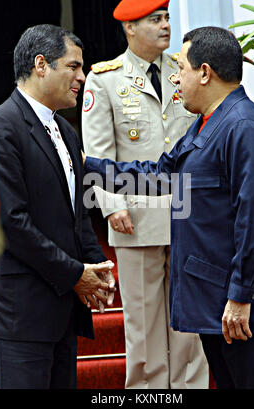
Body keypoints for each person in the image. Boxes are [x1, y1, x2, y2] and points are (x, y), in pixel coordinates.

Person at [83, 26, 254, 389]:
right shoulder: (205, 125)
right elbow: (158, 175)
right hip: (215, 308)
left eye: (181, 68)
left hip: (241, 312)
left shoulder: (244, 127)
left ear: (205, 73)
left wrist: (241, 296)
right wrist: (87, 166)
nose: (174, 77)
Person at [81, 0, 208, 389]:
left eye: (167, 17)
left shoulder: (185, 72)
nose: (166, 25)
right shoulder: (105, 79)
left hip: (189, 213)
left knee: (190, 324)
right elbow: (98, 153)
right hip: (135, 215)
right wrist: (111, 206)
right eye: (155, 19)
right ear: (130, 28)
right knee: (143, 323)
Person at [0, 24, 116, 389]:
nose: (82, 76)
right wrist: (77, 274)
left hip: (61, 314)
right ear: (41, 65)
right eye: (73, 66)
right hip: (20, 316)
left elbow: (76, 213)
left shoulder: (65, 130)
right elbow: (12, 223)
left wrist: (96, 265)